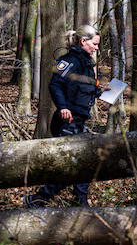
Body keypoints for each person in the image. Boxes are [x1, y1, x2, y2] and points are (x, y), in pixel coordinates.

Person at [24, 25, 103, 208]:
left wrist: (101, 92)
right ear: (83, 41)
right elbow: (55, 84)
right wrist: (62, 107)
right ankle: (38, 199)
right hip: (66, 122)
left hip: (79, 121)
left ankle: (79, 203)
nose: (97, 48)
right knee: (74, 166)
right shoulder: (68, 61)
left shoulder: (87, 65)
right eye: (95, 44)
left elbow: (86, 90)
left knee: (83, 163)